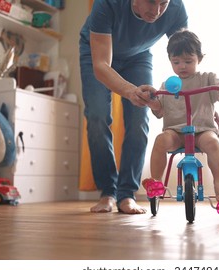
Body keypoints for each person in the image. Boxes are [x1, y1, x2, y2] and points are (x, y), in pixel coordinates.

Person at [79, 0, 188, 214]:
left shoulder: (176, 8)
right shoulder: (107, 4)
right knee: (97, 115)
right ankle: (107, 192)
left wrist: (202, 102)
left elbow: (186, 59)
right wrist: (130, 91)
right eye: (150, 2)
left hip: (139, 56)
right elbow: (101, 66)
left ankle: (126, 193)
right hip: (96, 53)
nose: (156, 12)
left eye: (163, 3)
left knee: (139, 120)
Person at [143, 29, 219, 202]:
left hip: (202, 131)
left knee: (212, 142)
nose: (182, 66)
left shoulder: (207, 78)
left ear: (199, 59)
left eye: (188, 61)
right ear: (170, 61)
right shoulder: (168, 84)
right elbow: (159, 110)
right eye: (176, 61)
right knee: (160, 140)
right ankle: (156, 182)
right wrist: (152, 102)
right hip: (176, 133)